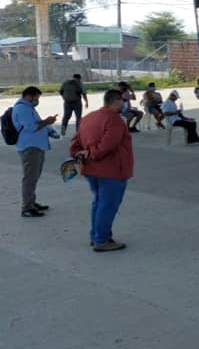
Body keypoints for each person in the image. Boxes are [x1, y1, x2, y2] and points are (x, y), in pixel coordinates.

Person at [69, 89, 134, 251]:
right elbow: (107, 145)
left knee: (99, 203)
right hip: (111, 169)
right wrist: (92, 153)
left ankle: (97, 235)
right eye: (124, 100)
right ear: (117, 101)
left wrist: (80, 153)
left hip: (91, 169)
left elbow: (75, 142)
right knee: (108, 205)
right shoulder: (115, 120)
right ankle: (102, 240)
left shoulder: (89, 117)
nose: (125, 103)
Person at [13, 86, 59, 217]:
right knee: (29, 178)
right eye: (36, 98)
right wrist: (47, 122)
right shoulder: (22, 109)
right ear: (29, 96)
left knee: (33, 177)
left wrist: (48, 127)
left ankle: (31, 202)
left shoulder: (28, 108)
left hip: (36, 146)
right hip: (29, 147)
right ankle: (27, 207)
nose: (37, 101)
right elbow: (32, 127)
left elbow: (36, 123)